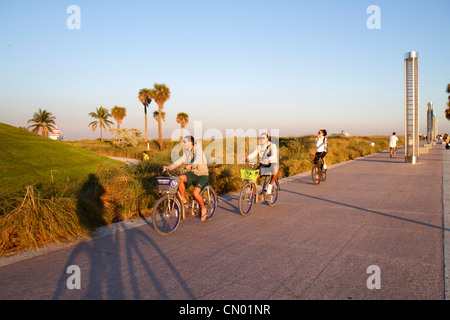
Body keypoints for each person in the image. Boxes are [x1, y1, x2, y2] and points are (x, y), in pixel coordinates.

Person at [163, 136, 209, 221]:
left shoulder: (198, 149)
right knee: (179, 179)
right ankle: (184, 201)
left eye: (184, 142)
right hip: (193, 173)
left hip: (202, 174)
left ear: (190, 143)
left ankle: (203, 208)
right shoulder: (187, 152)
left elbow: (198, 160)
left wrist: (191, 166)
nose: (183, 143)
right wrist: (169, 167)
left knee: (195, 193)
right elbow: (180, 160)